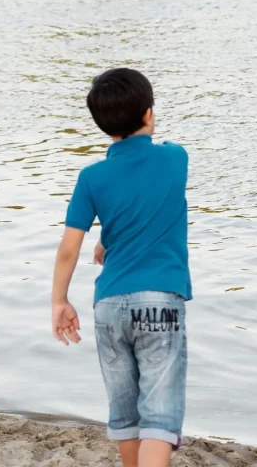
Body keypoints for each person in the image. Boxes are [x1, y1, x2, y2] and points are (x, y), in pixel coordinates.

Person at [50, 68, 191, 467]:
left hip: (109, 305)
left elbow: (68, 249)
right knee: (159, 422)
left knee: (126, 420)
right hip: (160, 301)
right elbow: (148, 204)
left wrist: (59, 300)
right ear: (149, 113)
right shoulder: (175, 158)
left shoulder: (91, 177)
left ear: (101, 125)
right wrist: (109, 240)